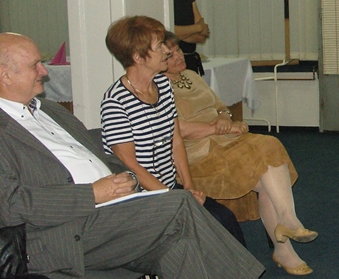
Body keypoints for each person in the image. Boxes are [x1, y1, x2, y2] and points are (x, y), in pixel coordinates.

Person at [0, 32, 264, 278]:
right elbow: (10, 206)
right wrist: (93, 194)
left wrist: (132, 182)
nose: (44, 71)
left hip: (116, 210)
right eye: (35, 65)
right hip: (65, 231)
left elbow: (106, 158)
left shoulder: (51, 110)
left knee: (179, 246)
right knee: (180, 205)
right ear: (5, 75)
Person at [162, 30, 316, 276]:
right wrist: (217, 127)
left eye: (178, 50)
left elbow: (219, 106)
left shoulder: (191, 75)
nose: (179, 56)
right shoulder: (159, 88)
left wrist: (226, 118)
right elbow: (175, 128)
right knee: (267, 156)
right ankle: (286, 232)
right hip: (198, 154)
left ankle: (285, 237)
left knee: (269, 160)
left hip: (224, 140)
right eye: (170, 55)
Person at [99, 15, 246, 247]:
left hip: (170, 188)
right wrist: (174, 197)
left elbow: (176, 140)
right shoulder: (116, 102)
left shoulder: (164, 85)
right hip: (141, 197)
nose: (167, 51)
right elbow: (129, 164)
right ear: (138, 57)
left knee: (224, 218)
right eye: (159, 46)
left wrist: (188, 186)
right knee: (208, 226)